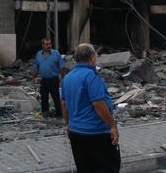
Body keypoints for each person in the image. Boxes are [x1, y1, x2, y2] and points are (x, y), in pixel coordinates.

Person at [61, 43, 120, 173]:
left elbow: (64, 104)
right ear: (92, 58)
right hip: (96, 133)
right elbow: (98, 104)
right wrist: (112, 126)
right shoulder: (91, 77)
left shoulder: (67, 78)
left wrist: (68, 124)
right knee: (108, 167)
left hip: (76, 133)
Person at [33, 37, 65, 118]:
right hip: (43, 80)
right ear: (43, 45)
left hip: (53, 79)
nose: (49, 46)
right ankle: (45, 115)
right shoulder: (38, 54)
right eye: (47, 44)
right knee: (44, 98)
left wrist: (61, 77)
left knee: (56, 98)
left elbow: (61, 66)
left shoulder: (56, 53)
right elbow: (36, 67)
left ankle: (59, 115)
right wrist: (34, 77)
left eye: (50, 44)